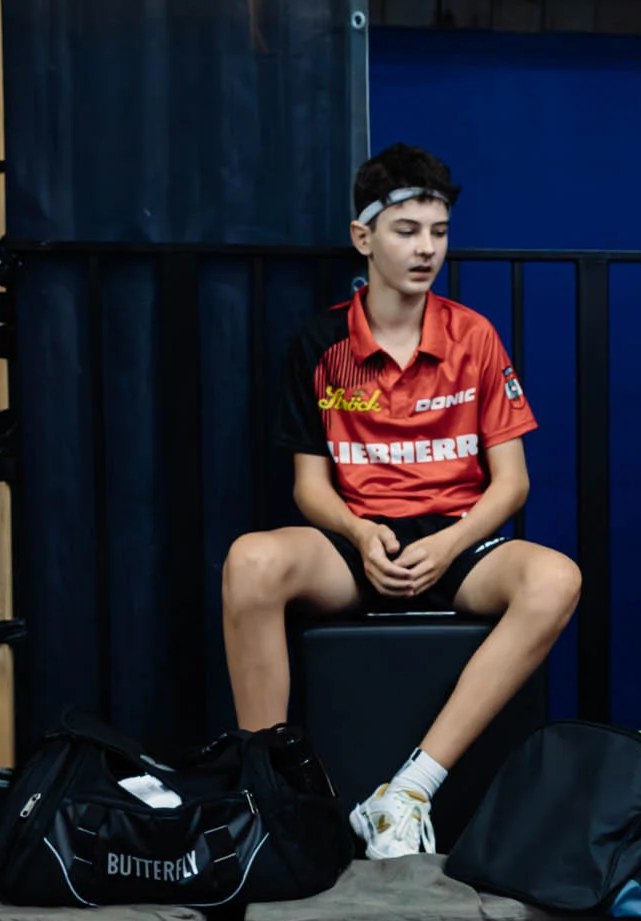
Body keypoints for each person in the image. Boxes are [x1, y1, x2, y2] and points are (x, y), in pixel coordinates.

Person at [221, 145, 580, 860]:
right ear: (364, 237)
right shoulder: (320, 342)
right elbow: (309, 487)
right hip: (358, 544)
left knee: (556, 578)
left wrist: (447, 544)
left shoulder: (474, 335)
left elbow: (511, 483)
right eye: (407, 230)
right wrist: (359, 534)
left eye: (438, 232)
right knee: (250, 561)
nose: (425, 249)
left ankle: (410, 790)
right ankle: (269, 796)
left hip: (456, 542)